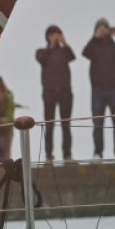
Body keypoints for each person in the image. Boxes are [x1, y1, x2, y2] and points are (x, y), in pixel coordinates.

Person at [82, 18, 115, 160]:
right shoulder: (93, 46)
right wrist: (94, 37)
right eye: (99, 27)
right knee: (98, 124)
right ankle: (98, 153)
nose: (102, 30)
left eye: (104, 27)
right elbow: (84, 53)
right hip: (97, 91)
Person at [36, 25, 76, 163]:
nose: (55, 36)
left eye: (57, 33)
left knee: (66, 125)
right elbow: (41, 59)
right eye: (52, 34)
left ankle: (67, 155)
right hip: (49, 93)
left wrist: (64, 43)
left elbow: (72, 56)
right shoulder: (42, 51)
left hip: (65, 92)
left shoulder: (65, 51)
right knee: (49, 125)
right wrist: (51, 46)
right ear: (47, 36)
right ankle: (48, 155)